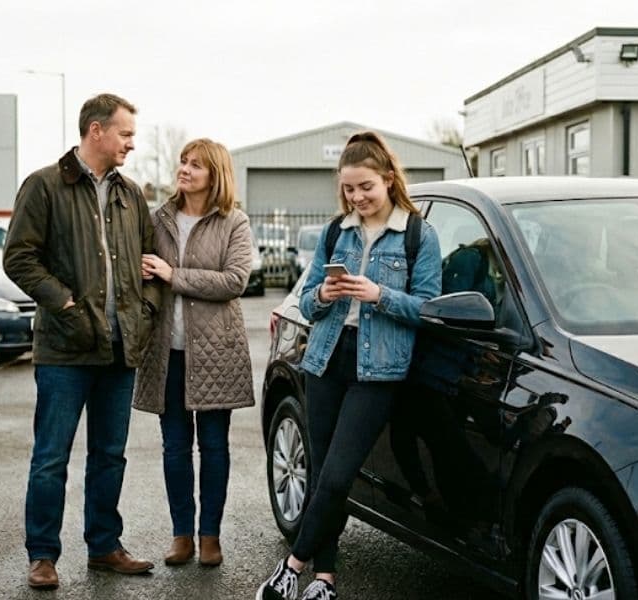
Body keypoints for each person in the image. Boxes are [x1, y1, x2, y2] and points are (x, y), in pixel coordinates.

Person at [256, 131, 442, 600]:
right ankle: (325, 579)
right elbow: (308, 300)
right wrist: (322, 294)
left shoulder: (418, 234)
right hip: (327, 357)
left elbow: (429, 308)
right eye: (349, 189)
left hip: (378, 368)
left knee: (340, 475)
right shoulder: (337, 231)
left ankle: (291, 566)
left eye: (366, 187)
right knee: (321, 474)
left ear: (388, 179)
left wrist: (380, 295)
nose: (357, 197)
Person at [3, 93, 163, 591]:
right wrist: (67, 305)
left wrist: (146, 310)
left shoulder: (130, 194)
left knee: (110, 454)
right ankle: (43, 555)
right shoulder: (45, 185)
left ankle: (104, 546)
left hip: (120, 348)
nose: (131, 144)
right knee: (51, 455)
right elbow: (19, 258)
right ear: (96, 131)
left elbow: (151, 262)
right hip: (65, 349)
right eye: (125, 134)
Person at [133, 138, 255, 569]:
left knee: (215, 446)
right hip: (167, 352)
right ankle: (181, 535)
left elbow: (235, 281)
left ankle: (211, 537)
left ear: (214, 174)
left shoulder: (233, 222)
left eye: (196, 165)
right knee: (174, 448)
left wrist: (173, 274)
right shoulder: (158, 219)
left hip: (216, 352)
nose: (185, 169)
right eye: (183, 162)